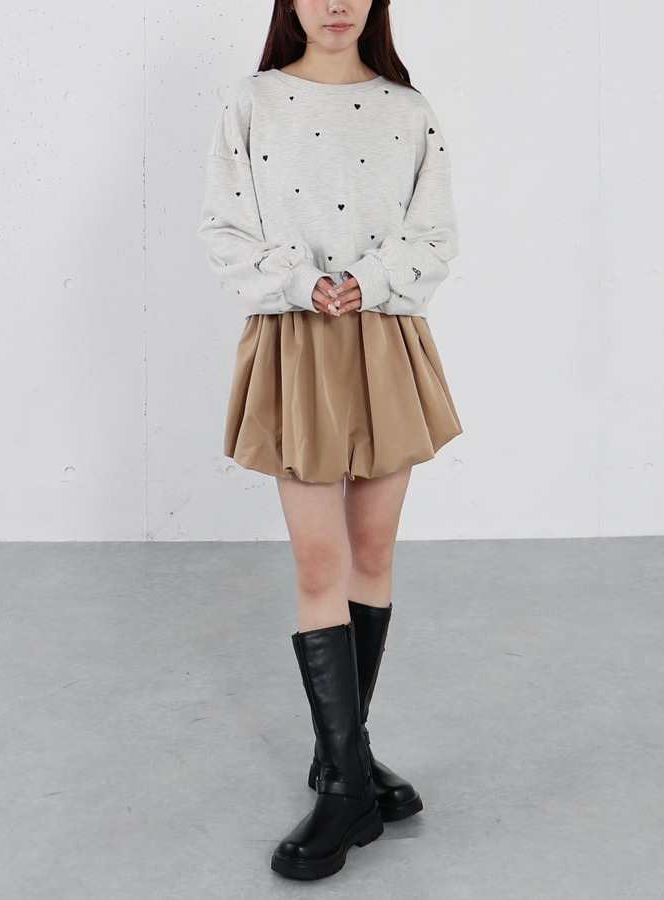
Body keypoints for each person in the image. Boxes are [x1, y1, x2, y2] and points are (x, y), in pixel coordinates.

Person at [198, 0, 462, 881]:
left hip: (385, 335)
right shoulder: (252, 101)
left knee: (373, 552)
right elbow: (223, 228)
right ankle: (349, 781)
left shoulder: (408, 109)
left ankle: (344, 766)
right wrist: (304, 283)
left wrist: (370, 278)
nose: (337, 4)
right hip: (296, 338)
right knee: (321, 563)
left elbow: (437, 233)